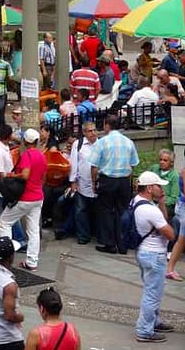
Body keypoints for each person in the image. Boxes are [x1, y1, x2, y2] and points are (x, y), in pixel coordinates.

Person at [130, 170, 176, 343]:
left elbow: (161, 220)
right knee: (152, 294)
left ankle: (154, 321)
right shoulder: (150, 210)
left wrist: (162, 203)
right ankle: (144, 330)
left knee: (153, 290)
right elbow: (171, 234)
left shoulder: (137, 202)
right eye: (158, 186)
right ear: (150, 188)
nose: (161, 189)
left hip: (143, 252)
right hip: (154, 255)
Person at [0, 128, 46, 271]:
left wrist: (11, 175)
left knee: (4, 222)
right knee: (33, 230)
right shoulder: (42, 156)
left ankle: (5, 256)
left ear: (25, 141)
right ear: (36, 141)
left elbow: (25, 175)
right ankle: (32, 261)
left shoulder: (27, 155)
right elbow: (43, 177)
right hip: (38, 197)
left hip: (25, 197)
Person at [90, 115, 138, 253]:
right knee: (121, 211)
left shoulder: (102, 142)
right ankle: (122, 244)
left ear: (107, 125)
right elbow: (133, 164)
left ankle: (109, 243)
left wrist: (94, 182)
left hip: (107, 180)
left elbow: (94, 166)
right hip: (123, 181)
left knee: (106, 211)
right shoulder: (129, 142)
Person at [68, 122, 98, 245]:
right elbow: (74, 163)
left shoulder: (101, 144)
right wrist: (73, 181)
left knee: (97, 210)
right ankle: (83, 235)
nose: (93, 133)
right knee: (81, 210)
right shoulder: (78, 144)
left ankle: (96, 233)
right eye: (90, 131)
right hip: (82, 183)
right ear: (85, 132)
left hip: (96, 184)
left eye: (95, 130)